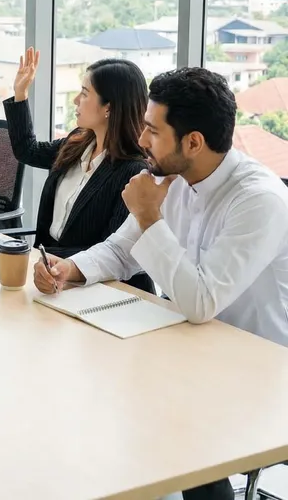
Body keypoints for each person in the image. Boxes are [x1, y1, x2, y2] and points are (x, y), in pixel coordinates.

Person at [33, 67, 288, 500]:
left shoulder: (257, 200)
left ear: (193, 142)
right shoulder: (171, 178)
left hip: (256, 369)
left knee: (159, 421)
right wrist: (68, 269)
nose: (142, 140)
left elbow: (202, 302)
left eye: (153, 130)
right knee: (85, 384)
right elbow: (118, 250)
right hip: (188, 347)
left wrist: (151, 217)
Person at [6, 48, 149, 257]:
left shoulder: (134, 171)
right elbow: (28, 151)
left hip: (89, 279)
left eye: (84, 93)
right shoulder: (78, 142)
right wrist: (21, 94)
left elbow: (111, 252)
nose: (75, 101)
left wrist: (42, 259)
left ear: (108, 108)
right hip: (49, 268)